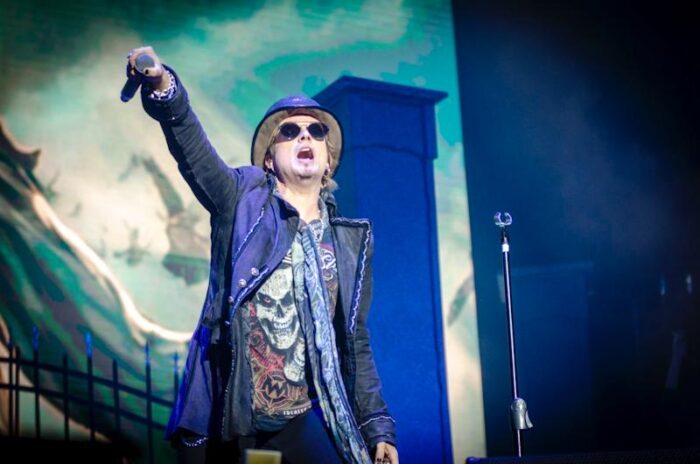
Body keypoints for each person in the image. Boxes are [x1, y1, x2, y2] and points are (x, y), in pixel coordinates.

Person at [125, 46, 398, 464]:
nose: (305, 137)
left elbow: (354, 342)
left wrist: (377, 428)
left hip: (301, 424)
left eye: (316, 131)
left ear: (328, 162)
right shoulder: (241, 199)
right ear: (269, 159)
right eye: (289, 131)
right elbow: (191, 147)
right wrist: (164, 86)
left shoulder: (349, 241)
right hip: (225, 416)